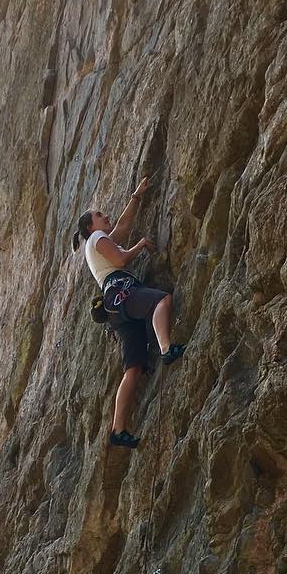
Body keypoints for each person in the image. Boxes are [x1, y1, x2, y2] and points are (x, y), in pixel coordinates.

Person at [71, 176, 185, 449]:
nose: (105, 215)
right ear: (91, 226)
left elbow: (122, 226)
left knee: (132, 369)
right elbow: (122, 259)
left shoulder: (98, 244)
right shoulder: (97, 239)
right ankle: (166, 347)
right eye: (99, 215)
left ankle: (118, 429)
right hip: (122, 290)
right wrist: (141, 244)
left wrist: (136, 196)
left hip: (114, 308)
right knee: (162, 301)